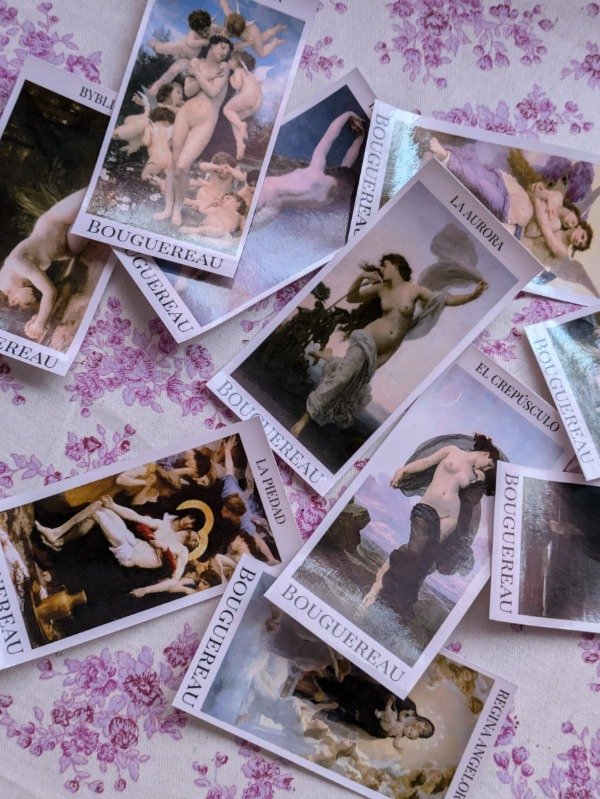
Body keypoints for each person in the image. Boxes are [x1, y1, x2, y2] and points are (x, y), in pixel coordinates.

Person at [290, 250, 487, 438]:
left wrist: (473, 295)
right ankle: (303, 420)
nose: (382, 269)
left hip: (387, 350)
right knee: (342, 377)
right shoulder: (381, 288)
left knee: (353, 380)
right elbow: (352, 297)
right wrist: (362, 277)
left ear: (396, 265)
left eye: (385, 265)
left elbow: (444, 301)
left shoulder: (414, 290)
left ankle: (328, 356)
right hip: (367, 339)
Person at [360, 434, 499, 621]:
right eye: (489, 465)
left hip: (449, 518)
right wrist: (403, 470)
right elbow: (426, 462)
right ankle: (377, 586)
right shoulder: (452, 450)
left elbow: (470, 507)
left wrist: (480, 483)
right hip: (426, 509)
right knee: (413, 550)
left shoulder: (478, 476)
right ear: (486, 454)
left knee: (424, 560)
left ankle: (397, 603)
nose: (486, 469)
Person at [34, 497, 205, 598]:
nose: (194, 537)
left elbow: (173, 581)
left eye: (196, 540)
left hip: (128, 553)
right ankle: (57, 537)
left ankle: (57, 537)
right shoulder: (164, 526)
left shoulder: (182, 552)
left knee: (96, 515)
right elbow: (135, 516)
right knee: (100, 505)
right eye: (194, 533)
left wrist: (146, 590)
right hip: (130, 539)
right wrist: (113, 505)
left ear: (193, 546)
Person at [155, 35, 233, 228]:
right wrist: (205, 75)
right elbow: (189, 91)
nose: (225, 53)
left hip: (205, 122)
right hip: (185, 115)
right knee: (174, 162)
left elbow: (213, 92)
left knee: (183, 165)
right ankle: (167, 208)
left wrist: (198, 74)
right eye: (222, 47)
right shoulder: (196, 62)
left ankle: (178, 208)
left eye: (227, 51)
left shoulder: (224, 68)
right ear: (212, 45)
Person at [0, 188, 90, 341]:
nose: (33, 300)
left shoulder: (15, 265)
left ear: (13, 300)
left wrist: (39, 324)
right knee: (78, 247)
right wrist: (38, 319)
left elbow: (49, 292)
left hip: (58, 220)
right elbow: (46, 297)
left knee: (96, 194)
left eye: (26, 304)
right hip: (68, 244)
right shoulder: (18, 281)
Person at [255, 112, 366, 226]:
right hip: (271, 209)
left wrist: (348, 115)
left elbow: (330, 136)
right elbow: (348, 162)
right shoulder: (325, 200)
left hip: (266, 188)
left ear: (337, 172)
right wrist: (360, 139)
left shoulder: (316, 171)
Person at [148, 9, 214, 96]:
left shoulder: (212, 29)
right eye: (200, 32)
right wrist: (203, 42)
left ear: (209, 24)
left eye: (205, 30)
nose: (204, 34)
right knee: (162, 49)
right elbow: (189, 42)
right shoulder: (193, 33)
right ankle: (157, 44)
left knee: (174, 70)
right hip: (183, 48)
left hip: (189, 59)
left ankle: (157, 85)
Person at [112, 84, 184, 155]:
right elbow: (150, 103)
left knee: (136, 143)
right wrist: (140, 101)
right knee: (138, 127)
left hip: (151, 131)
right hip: (143, 122)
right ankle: (117, 134)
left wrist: (183, 104)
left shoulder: (175, 109)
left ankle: (123, 151)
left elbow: (184, 111)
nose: (181, 95)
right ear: (168, 94)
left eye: (181, 94)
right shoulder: (160, 104)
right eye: (178, 92)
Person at [223, 50, 262, 160]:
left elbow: (237, 85)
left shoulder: (238, 71)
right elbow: (258, 89)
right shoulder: (251, 75)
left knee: (227, 110)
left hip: (248, 96)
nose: (229, 61)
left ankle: (241, 125)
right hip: (257, 102)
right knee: (235, 119)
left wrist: (231, 78)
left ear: (238, 63)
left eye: (231, 60)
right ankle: (240, 145)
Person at [219, 0, 286, 57]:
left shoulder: (249, 37)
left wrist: (248, 43)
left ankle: (275, 42)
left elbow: (237, 46)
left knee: (262, 53)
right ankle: (277, 28)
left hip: (253, 35)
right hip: (253, 28)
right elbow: (224, 4)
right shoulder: (230, 15)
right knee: (261, 38)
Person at [180, 193, 246, 238]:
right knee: (207, 228)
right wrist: (211, 202)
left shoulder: (239, 216)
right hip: (207, 228)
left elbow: (245, 232)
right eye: (223, 199)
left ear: (238, 203)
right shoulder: (218, 209)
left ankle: (195, 230)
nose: (224, 200)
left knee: (218, 230)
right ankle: (196, 230)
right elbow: (202, 210)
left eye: (228, 198)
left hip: (221, 232)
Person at [141, 107, 176, 191]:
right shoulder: (169, 130)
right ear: (166, 121)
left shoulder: (150, 128)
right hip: (169, 158)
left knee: (145, 175)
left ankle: (160, 182)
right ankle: (170, 184)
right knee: (170, 176)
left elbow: (146, 142)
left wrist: (143, 137)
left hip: (156, 159)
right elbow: (170, 144)